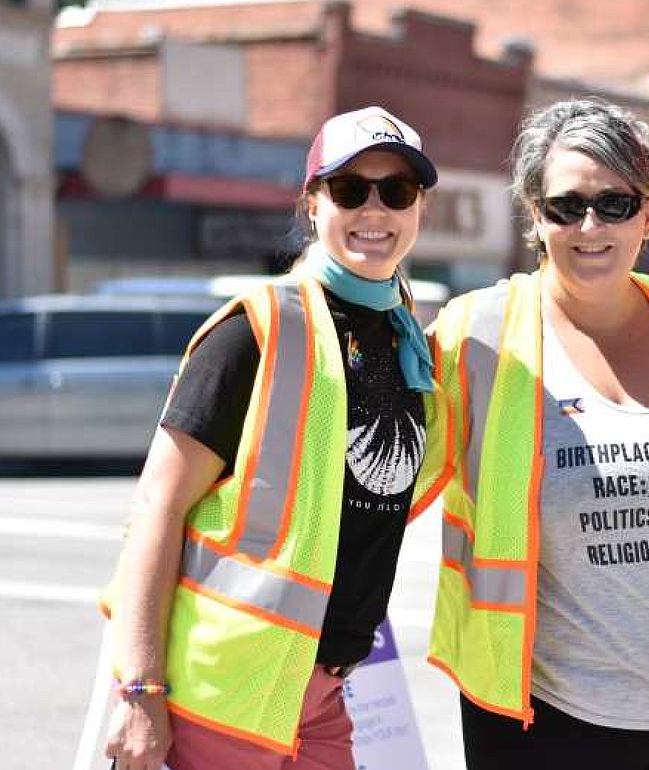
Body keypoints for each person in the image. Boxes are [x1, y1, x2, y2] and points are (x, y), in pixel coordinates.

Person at [408, 98, 649, 770]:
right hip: (541, 720)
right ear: (535, 218)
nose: (590, 225)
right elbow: (378, 483)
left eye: (615, 204)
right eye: (567, 206)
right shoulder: (476, 336)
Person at [102, 105, 437, 770]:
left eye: (396, 191)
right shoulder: (254, 331)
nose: (375, 210)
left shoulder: (405, 341)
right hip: (227, 690)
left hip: (323, 688)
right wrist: (139, 691)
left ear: (418, 207)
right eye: (349, 190)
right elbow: (155, 510)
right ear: (313, 203)